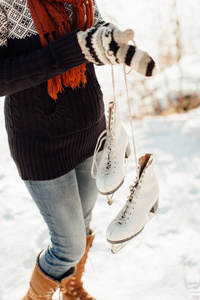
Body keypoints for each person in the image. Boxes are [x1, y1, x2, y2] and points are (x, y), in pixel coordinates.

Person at [0, 0, 156, 299]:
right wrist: (79, 48)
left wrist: (109, 43)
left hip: (90, 129)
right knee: (67, 246)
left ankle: (72, 289)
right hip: (39, 143)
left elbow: (94, 33)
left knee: (83, 222)